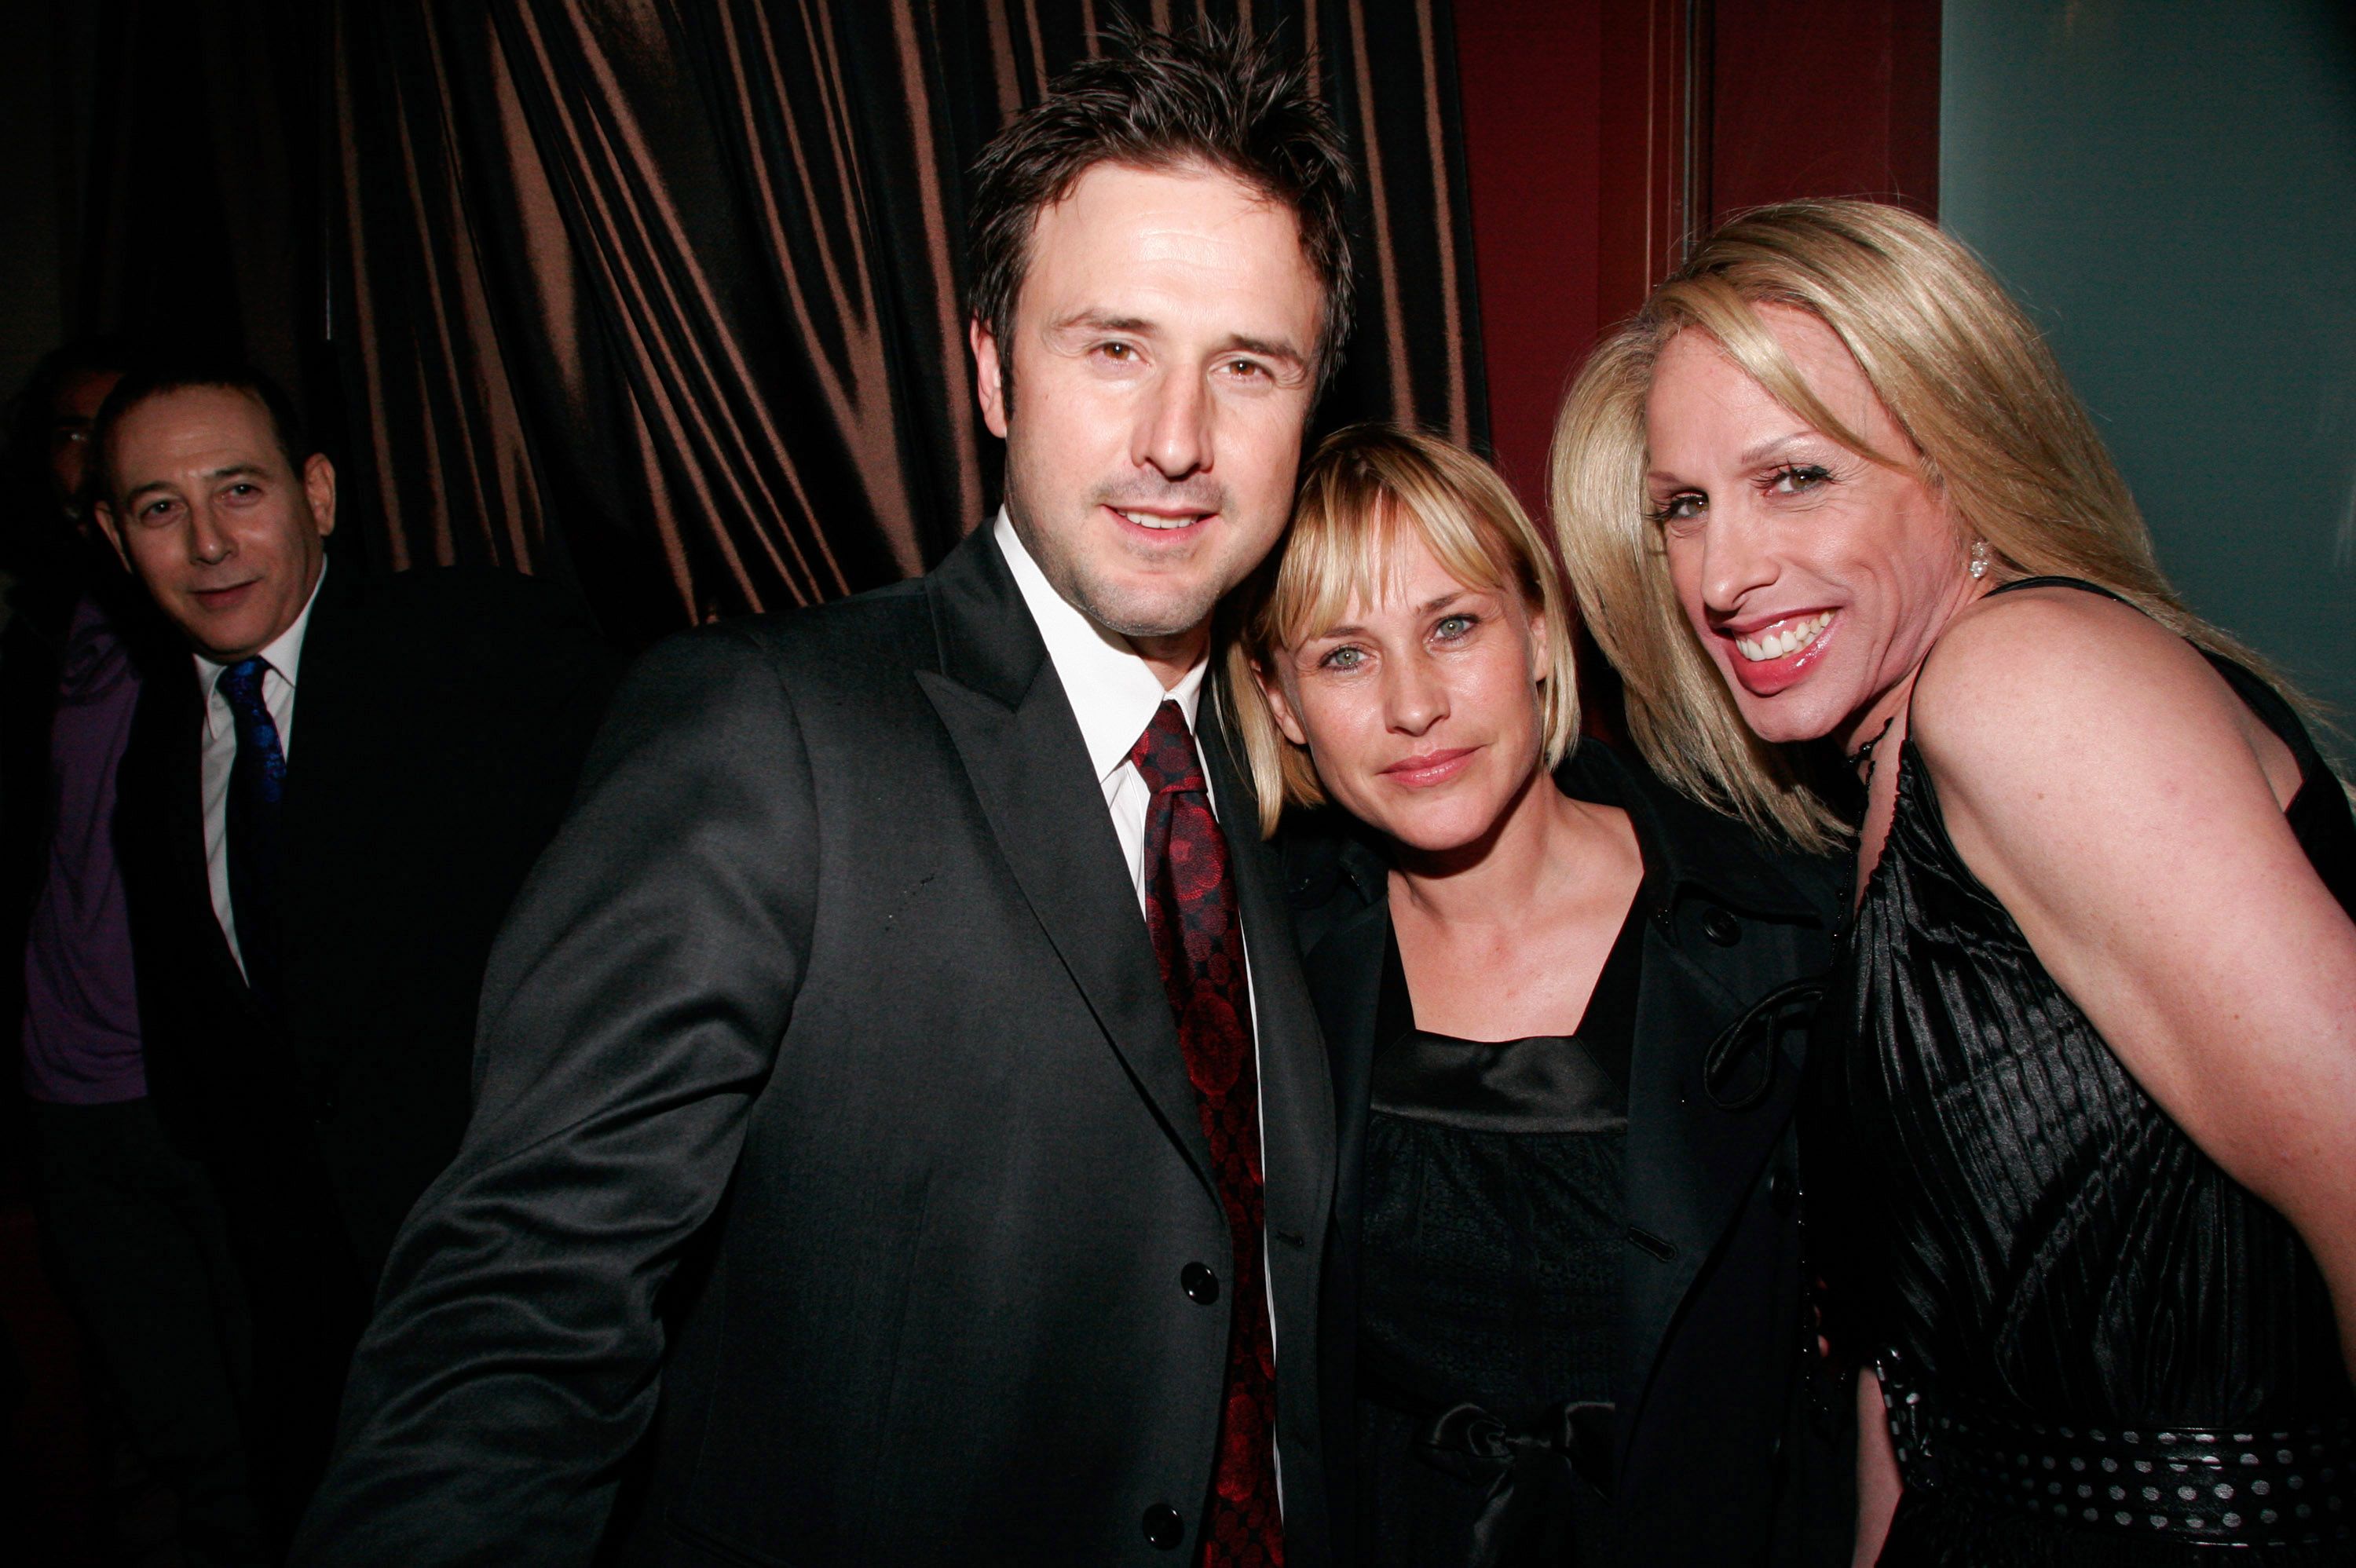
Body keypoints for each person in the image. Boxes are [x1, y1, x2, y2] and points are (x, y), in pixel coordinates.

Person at [292, 26, 1354, 1567]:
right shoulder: (766, 735)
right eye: (1111, 347)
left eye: (1246, 367)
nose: (1178, 441)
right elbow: (510, 1341)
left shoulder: (1253, 791)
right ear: (991, 369)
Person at [1549, 197, 2356, 1566]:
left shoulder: (2023, 682)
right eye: (1683, 506)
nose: (1726, 574)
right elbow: (1918, 1365)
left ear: (1961, 457)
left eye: (1796, 476)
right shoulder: (1887, 781)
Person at [1227, 424, 1850, 1567]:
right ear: (1279, 702)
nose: (1413, 705)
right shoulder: (1262, 969)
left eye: (1453, 625)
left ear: (1542, 634)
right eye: (1344, 656)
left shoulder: (1784, 924)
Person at [90, 358, 617, 1548]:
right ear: (117, 540)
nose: (211, 544)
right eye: (160, 509)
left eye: (241, 490)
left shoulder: (482, 649)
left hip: (542, 1307)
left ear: (317, 494)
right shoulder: (154, 756)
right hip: (327, 1359)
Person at [5, 338, 266, 1565]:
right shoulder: (48, 640)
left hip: (192, 1103)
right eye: (74, 430)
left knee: (250, 1429)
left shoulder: (222, 642)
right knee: (158, 1429)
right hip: (70, 1101)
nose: (200, 530)